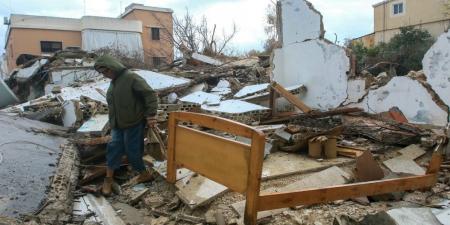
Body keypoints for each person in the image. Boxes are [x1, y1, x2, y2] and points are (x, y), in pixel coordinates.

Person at [94, 55, 158, 196]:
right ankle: (108, 179)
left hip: (133, 122)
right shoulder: (114, 82)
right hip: (117, 125)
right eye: (102, 73)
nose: (105, 75)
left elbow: (150, 95)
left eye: (105, 72)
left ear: (112, 67)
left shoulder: (131, 78)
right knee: (113, 148)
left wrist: (151, 115)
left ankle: (144, 173)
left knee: (132, 151)